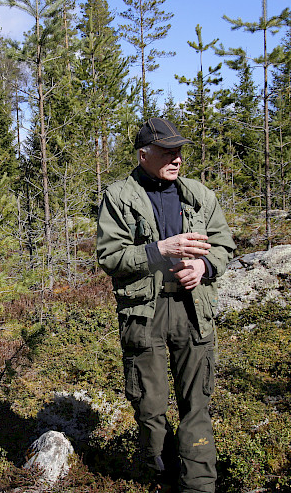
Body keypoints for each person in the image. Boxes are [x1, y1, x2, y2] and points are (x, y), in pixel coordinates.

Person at [96, 117, 235, 493]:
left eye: (179, 151)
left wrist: (203, 266)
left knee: (197, 406)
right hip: (145, 315)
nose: (176, 159)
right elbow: (109, 257)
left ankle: (198, 485)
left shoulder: (200, 195)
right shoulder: (119, 196)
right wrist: (160, 250)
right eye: (167, 151)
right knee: (150, 409)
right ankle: (158, 474)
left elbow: (224, 246)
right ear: (144, 155)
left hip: (194, 313)